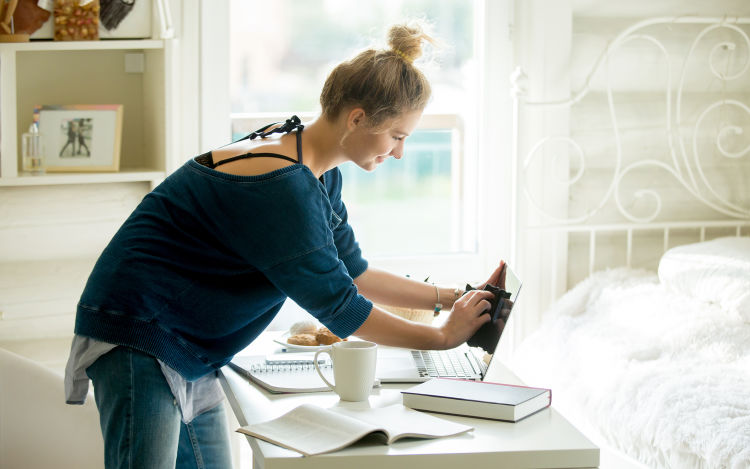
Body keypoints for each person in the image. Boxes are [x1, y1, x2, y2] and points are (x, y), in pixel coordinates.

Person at [64, 22, 505, 469]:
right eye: (397, 136)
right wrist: (443, 338)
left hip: (186, 343)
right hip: (143, 330)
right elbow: (342, 309)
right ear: (356, 118)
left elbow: (354, 272)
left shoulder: (309, 163)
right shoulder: (284, 186)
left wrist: (453, 297)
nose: (398, 154)